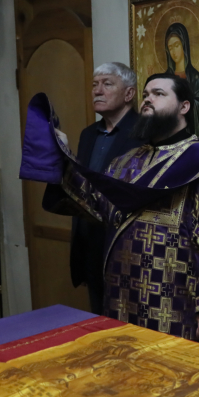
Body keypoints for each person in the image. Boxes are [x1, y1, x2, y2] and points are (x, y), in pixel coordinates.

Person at [23, 73, 199, 343]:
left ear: (184, 106)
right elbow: (95, 204)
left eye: (158, 94)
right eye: (145, 95)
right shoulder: (125, 162)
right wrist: (61, 155)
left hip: (178, 302)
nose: (147, 100)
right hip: (122, 298)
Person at [66, 63, 145, 313]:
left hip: (127, 246)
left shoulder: (145, 133)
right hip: (90, 243)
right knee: (99, 319)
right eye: (94, 85)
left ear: (129, 94)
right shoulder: (88, 134)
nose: (97, 91)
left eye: (107, 84)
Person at [164, 22, 199, 143]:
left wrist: (186, 104)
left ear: (184, 45)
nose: (174, 51)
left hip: (191, 136)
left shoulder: (196, 78)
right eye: (170, 48)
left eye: (177, 45)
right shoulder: (165, 78)